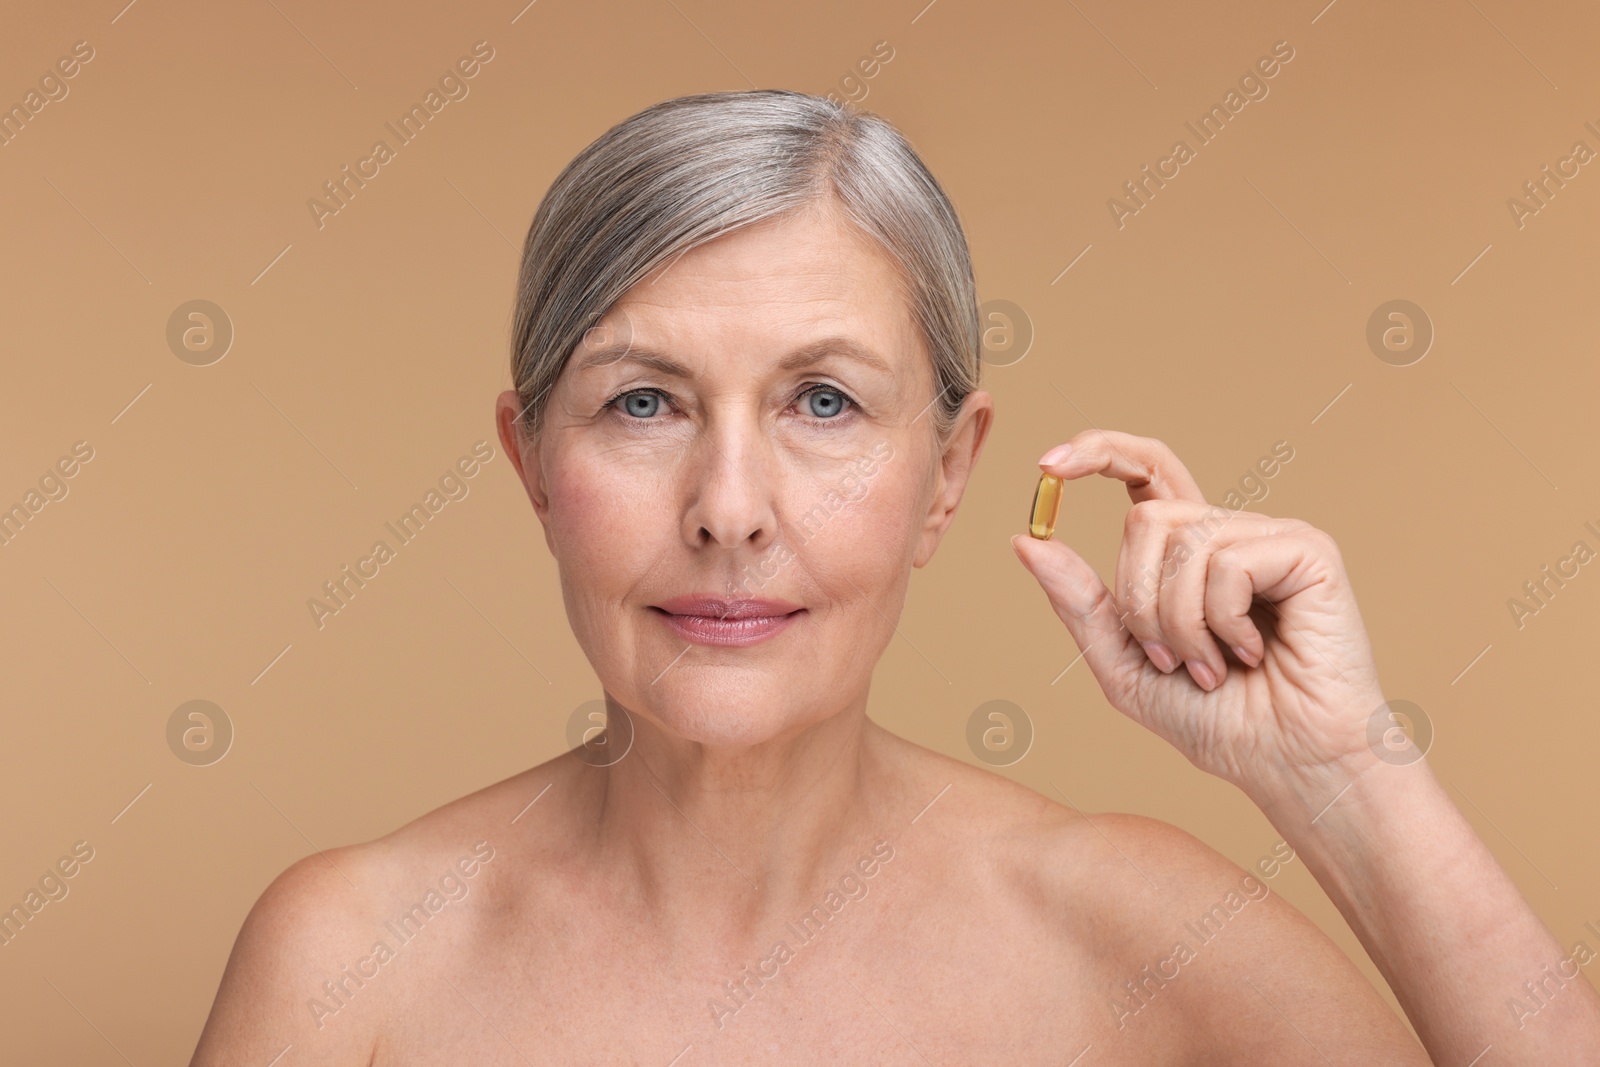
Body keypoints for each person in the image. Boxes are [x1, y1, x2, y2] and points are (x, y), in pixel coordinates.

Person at [190, 89, 1600, 1064]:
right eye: (642, 404)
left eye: (822, 403)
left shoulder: (1142, 936)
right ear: (528, 463)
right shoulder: (349, 956)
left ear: (947, 471)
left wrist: (1343, 776)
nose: (730, 511)